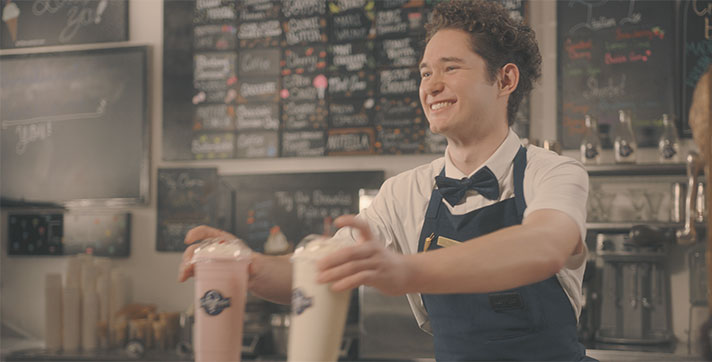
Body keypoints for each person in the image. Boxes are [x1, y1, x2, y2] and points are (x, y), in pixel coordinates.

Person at [179, 1, 594, 360]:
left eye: (450, 69)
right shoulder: (403, 192)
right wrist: (244, 265)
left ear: (505, 80)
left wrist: (406, 270)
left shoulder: (554, 171)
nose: (432, 86)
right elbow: (315, 275)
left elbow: (543, 246)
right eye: (425, 72)